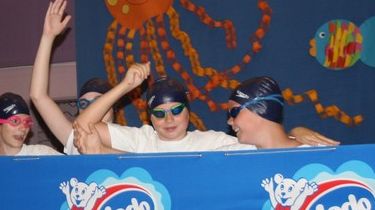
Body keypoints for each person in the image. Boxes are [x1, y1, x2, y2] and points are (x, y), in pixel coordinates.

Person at [73, 62, 338, 154]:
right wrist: (124, 86)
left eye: (176, 110)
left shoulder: (214, 143)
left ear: (188, 111)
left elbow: (271, 145)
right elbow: (82, 127)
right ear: (149, 117)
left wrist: (296, 133)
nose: (169, 119)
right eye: (159, 113)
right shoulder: (141, 139)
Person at [29, 0, 119, 154]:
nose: (91, 108)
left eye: (98, 102)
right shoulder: (75, 142)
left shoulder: (133, 140)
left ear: (112, 107)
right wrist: (48, 37)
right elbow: (38, 96)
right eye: (84, 104)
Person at [227, 76, 304, 149]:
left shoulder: (310, 153)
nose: (229, 122)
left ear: (262, 109)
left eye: (234, 112)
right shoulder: (229, 154)